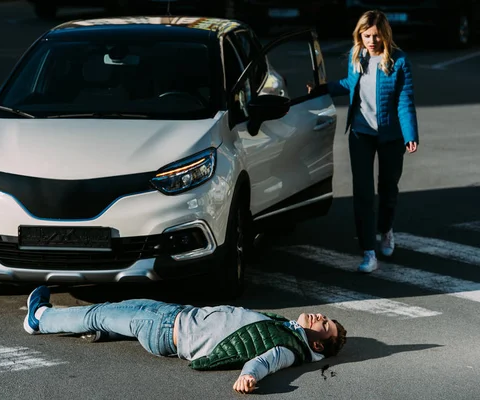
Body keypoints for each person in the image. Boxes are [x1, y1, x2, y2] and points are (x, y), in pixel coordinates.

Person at [23, 286, 347, 394]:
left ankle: (39, 319)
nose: (320, 317)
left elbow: (264, 361)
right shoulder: (287, 329)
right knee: (112, 311)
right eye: (324, 316)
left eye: (324, 325)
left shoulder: (287, 349)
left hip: (165, 330)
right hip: (175, 315)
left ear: (317, 345)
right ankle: (101, 331)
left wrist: (248, 376)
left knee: (98, 313)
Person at [309, 10, 419, 273]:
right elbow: (350, 83)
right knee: (363, 193)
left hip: (391, 136)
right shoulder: (356, 56)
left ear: (385, 35)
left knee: (388, 187)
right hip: (361, 134)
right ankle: (369, 251)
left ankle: (386, 229)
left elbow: (405, 100)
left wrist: (410, 134)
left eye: (376, 36)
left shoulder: (399, 61)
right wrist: (324, 89)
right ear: (360, 35)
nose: (371, 41)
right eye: (366, 35)